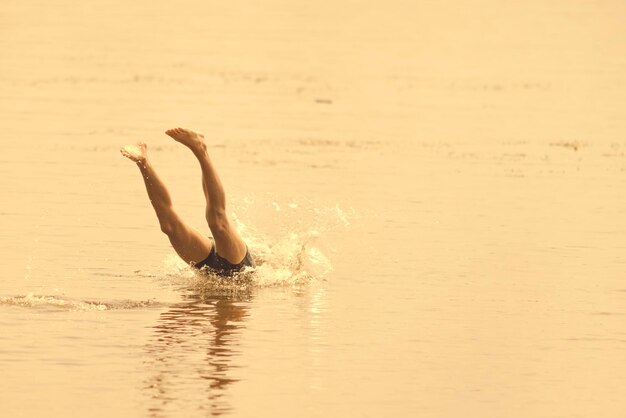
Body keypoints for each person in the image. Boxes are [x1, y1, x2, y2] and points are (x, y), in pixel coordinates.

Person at [120, 127, 255, 276]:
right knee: (175, 226)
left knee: (214, 224)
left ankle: (199, 148)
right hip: (226, 266)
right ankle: (143, 161)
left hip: (229, 264)